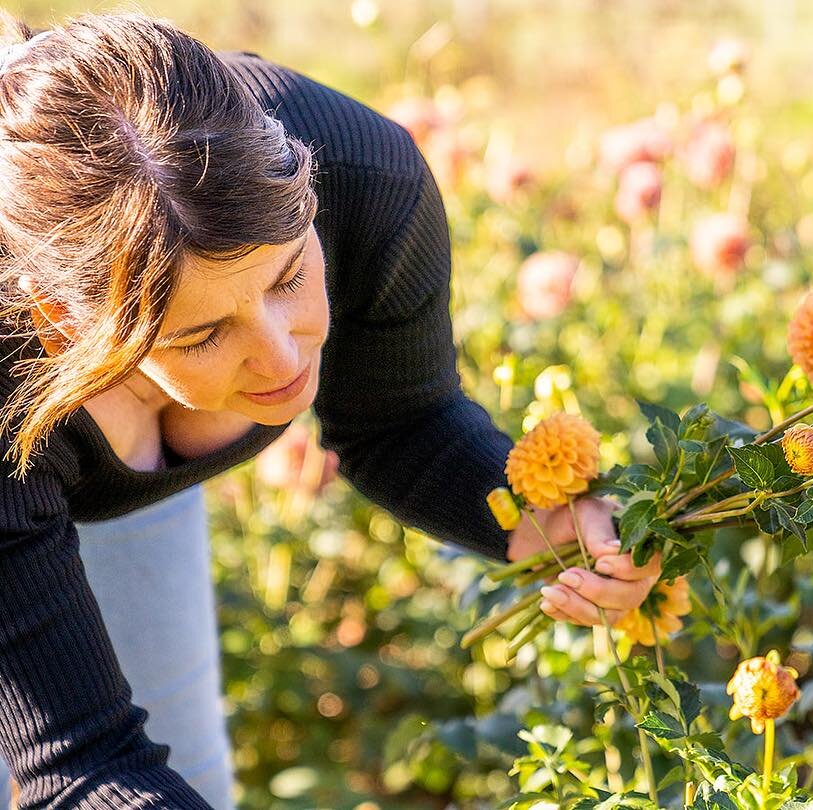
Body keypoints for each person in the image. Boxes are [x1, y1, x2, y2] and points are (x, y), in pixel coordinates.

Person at [0, 12, 658, 809]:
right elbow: (76, 759)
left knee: (193, 779)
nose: (284, 358)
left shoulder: (363, 176)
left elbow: (398, 420)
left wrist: (539, 521)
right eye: (204, 333)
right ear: (63, 325)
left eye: (286, 279)